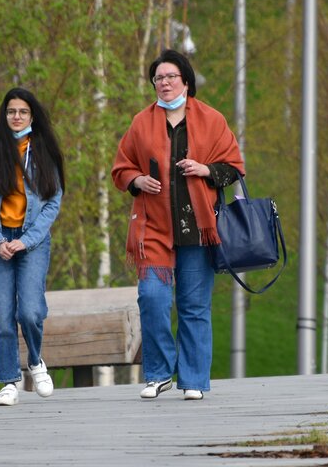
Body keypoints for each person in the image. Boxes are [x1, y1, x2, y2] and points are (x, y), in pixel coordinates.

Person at [111, 49, 244, 401]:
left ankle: (194, 380)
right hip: (153, 227)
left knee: (193, 306)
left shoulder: (212, 120)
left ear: (186, 80)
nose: (165, 83)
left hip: (198, 227)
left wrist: (206, 170)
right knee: (152, 299)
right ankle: (157, 374)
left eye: (171, 76)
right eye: (158, 78)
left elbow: (234, 166)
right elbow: (121, 168)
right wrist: (137, 180)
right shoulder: (141, 122)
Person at [0, 87, 65, 406]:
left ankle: (36, 360)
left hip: (32, 241)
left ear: (32, 116)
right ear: (4, 115)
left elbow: (53, 201)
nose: (16, 117)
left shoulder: (44, 152)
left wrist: (26, 240)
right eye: (11, 111)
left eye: (23, 112)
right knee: (2, 315)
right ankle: (9, 380)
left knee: (29, 311)